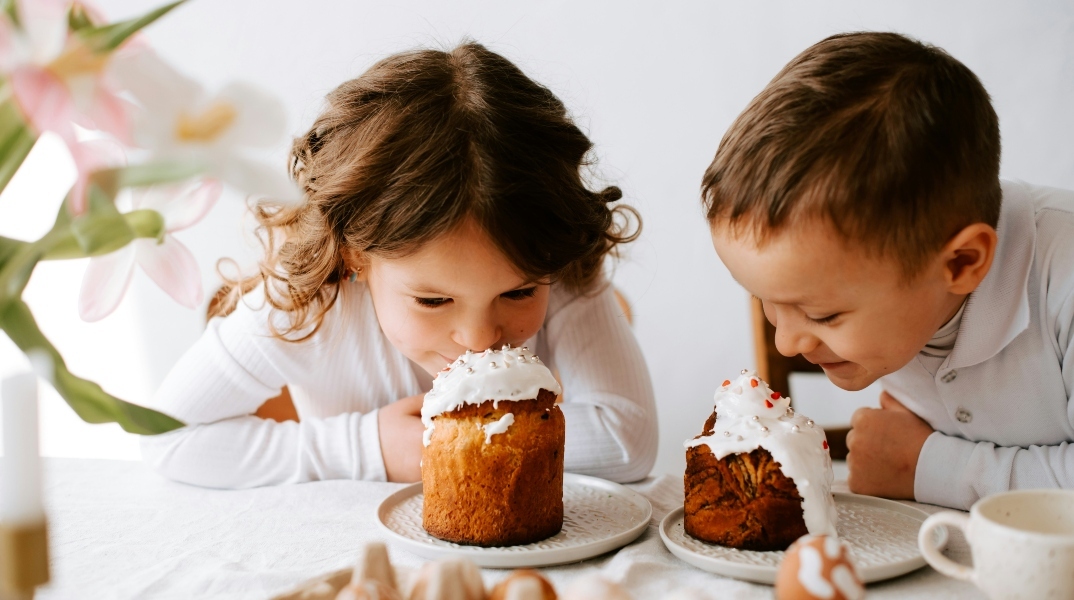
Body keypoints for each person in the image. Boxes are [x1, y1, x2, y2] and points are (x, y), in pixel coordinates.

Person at [140, 42, 657, 488]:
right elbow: (166, 437)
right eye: (433, 300)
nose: (479, 339)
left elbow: (629, 441)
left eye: (519, 293)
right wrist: (368, 448)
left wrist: (453, 441)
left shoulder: (553, 257)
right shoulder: (305, 302)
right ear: (355, 255)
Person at [702, 31, 1074, 509]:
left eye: (824, 315)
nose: (786, 344)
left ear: (961, 263)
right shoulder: (902, 273)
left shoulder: (1062, 279)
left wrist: (929, 467)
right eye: (764, 299)